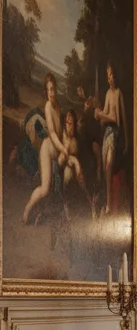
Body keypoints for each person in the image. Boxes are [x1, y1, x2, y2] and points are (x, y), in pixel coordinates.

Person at [22, 74, 70, 224]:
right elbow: (52, 132)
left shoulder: (58, 106)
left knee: (57, 185)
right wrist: (63, 148)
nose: (52, 93)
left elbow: (61, 130)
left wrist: (65, 145)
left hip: (57, 151)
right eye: (49, 90)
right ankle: (28, 209)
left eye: (53, 89)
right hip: (47, 150)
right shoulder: (48, 107)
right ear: (46, 92)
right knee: (44, 189)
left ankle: (45, 214)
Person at [94, 62, 127, 216]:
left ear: (116, 76)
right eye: (108, 76)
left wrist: (127, 140)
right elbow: (105, 118)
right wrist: (100, 114)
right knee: (104, 167)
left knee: (108, 165)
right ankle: (106, 203)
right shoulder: (107, 94)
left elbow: (120, 119)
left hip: (115, 133)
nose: (111, 79)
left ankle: (108, 204)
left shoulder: (119, 93)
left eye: (112, 75)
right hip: (107, 131)